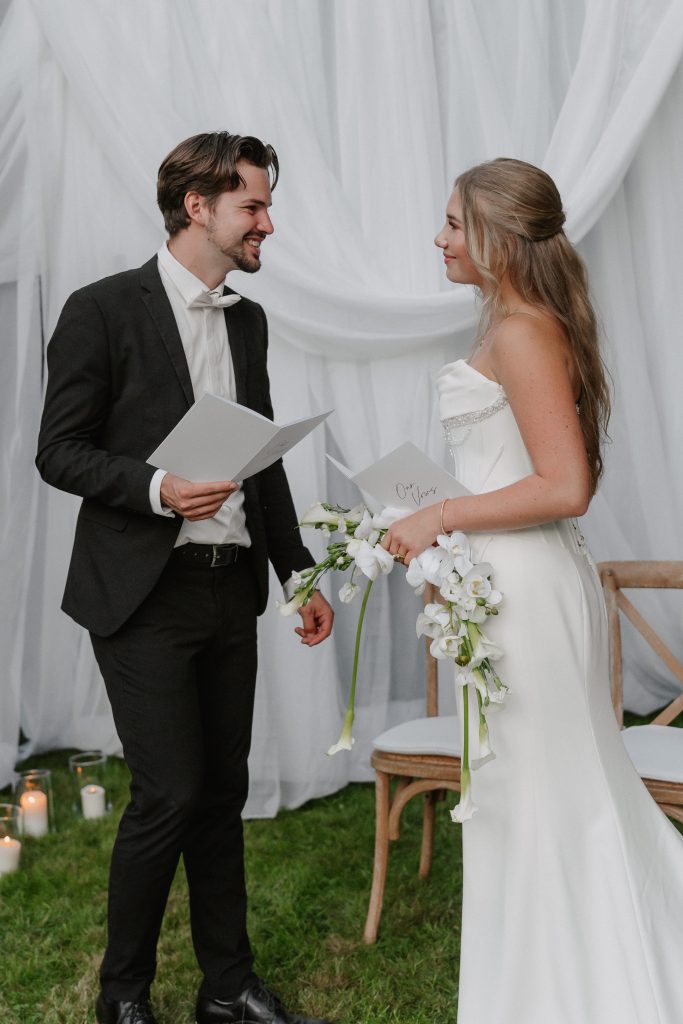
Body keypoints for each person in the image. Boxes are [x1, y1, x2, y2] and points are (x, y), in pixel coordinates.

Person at [36, 132, 334, 1024]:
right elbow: (59, 451)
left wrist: (298, 574)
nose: (267, 224)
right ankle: (121, 997)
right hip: (140, 594)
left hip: (227, 586)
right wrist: (160, 488)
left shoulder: (247, 320)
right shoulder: (100, 309)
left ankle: (226, 986)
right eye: (254, 206)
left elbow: (263, 460)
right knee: (167, 792)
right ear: (197, 207)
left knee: (222, 791)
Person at [381, 157, 683, 1022]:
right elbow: (516, 471)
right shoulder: (510, 320)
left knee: (546, 788)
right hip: (508, 582)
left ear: (494, 236)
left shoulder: (521, 329)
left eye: (450, 223)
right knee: (520, 790)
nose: (437, 238)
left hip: (531, 594)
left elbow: (565, 485)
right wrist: (444, 530)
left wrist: (442, 513)